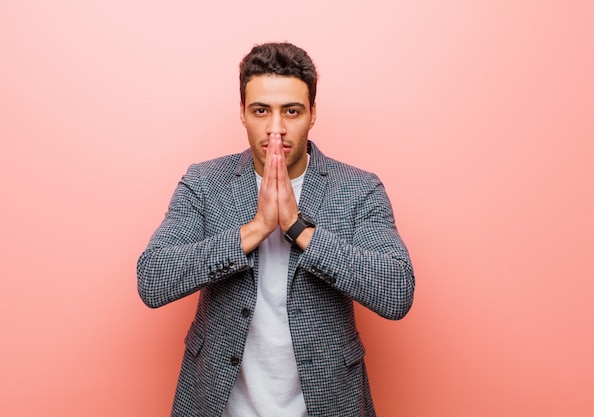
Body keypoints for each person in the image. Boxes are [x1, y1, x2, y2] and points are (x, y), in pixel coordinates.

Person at [137, 42, 415, 417]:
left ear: (312, 114)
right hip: (219, 406)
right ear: (242, 113)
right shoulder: (203, 183)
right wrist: (254, 230)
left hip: (327, 405)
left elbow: (396, 291)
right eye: (261, 110)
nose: (276, 129)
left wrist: (298, 228)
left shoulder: (358, 189)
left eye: (292, 111)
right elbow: (153, 279)